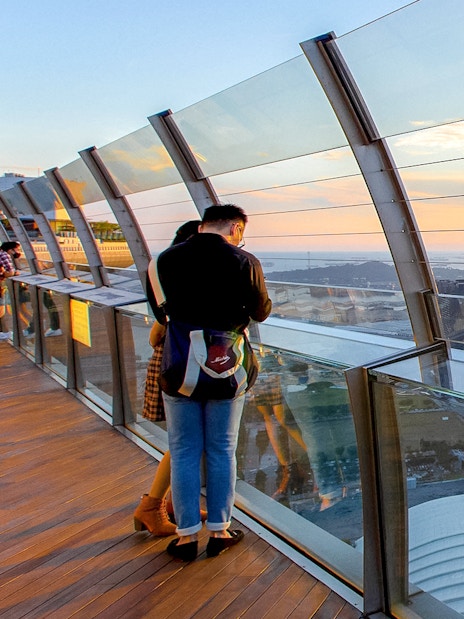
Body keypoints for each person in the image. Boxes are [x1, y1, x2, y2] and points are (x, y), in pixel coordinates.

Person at [155, 204, 272, 561]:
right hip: (226, 366)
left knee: (185, 449)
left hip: (181, 366)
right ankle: (220, 530)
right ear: (235, 228)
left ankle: (186, 536)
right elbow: (260, 310)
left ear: (204, 224)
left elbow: (161, 312)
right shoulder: (244, 261)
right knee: (222, 449)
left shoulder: (165, 260)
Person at [133, 220, 203, 537]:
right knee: (184, 441)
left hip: (172, 363)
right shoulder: (181, 279)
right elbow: (159, 331)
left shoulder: (163, 272)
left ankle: (176, 503)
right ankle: (152, 506)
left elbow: (156, 333)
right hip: (182, 365)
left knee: (186, 440)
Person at [0, 241, 21, 341]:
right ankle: (3, 332)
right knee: (1, 309)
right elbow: (10, 271)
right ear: (10, 249)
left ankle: (3, 331)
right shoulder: (4, 255)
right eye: (16, 249)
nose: (17, 251)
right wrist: (14, 273)